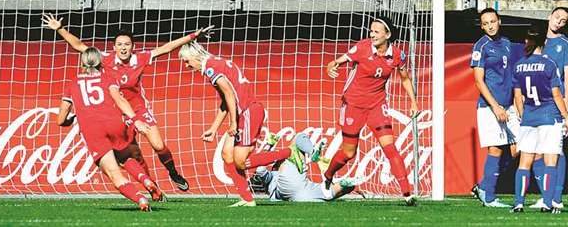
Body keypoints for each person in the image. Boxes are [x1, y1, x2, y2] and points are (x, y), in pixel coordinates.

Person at [42, 13, 212, 191]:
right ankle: (151, 186)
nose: (123, 48)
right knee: (133, 154)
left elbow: (167, 48)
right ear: (114, 47)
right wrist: (60, 29)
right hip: (116, 114)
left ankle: (173, 172)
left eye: (127, 45)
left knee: (158, 145)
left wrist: (193, 36)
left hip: (138, 109)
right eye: (120, 45)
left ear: (133, 47)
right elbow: (79, 46)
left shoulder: (140, 59)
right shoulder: (105, 59)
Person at [178, 41, 302, 207]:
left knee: (240, 161)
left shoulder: (210, 68)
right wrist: (214, 128)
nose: (187, 65)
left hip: (248, 112)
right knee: (227, 154)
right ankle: (247, 199)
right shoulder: (218, 62)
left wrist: (233, 123)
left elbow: (229, 94)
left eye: (187, 61)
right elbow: (226, 100)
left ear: (195, 55)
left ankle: (289, 153)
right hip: (246, 112)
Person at [323, 16, 418, 206]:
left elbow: (405, 78)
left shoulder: (398, 55)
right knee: (349, 153)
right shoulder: (362, 47)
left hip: (377, 105)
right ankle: (328, 175)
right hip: (353, 105)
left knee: (390, 147)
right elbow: (336, 62)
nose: (372, 35)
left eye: (376, 31)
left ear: (388, 34)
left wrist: (413, 102)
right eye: (371, 31)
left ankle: (407, 193)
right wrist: (330, 67)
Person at [57, 47, 165, 211]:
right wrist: (135, 120)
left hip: (93, 129)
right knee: (124, 157)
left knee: (114, 173)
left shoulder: (73, 83)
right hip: (115, 123)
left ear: (82, 63)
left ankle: (141, 199)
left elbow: (60, 119)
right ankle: (146, 180)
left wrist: (68, 120)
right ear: (100, 62)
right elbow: (120, 100)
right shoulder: (108, 77)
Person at [510, 23, 568, 214]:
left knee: (524, 163)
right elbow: (556, 94)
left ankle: (518, 203)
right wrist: (566, 117)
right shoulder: (549, 64)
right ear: (543, 42)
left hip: (529, 118)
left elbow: (517, 97)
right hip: (549, 117)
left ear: (527, 41)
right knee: (550, 162)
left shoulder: (519, 65)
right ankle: (547, 203)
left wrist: (523, 115)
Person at [469, 8, 519, 208]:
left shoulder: (507, 43)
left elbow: (511, 76)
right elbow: (479, 82)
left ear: (499, 21)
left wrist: (515, 102)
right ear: (482, 26)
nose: (490, 25)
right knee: (496, 148)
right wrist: (496, 106)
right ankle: (489, 197)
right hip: (490, 106)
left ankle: (482, 187)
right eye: (486, 23)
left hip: (509, 105)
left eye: (493, 21)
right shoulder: (481, 46)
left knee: (517, 149)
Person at [530, 7, 568, 211]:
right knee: (536, 152)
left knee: (555, 149)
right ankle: (546, 196)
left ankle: (556, 197)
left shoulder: (565, 44)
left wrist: (566, 102)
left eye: (563, 20)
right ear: (550, 16)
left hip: (555, 102)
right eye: (557, 17)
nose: (559, 21)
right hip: (535, 103)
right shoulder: (538, 40)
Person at [251, 133, 356, 202]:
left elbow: (260, 168)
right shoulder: (272, 179)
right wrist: (268, 145)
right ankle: (313, 152)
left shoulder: (270, 184)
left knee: (329, 192)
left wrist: (268, 146)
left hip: (301, 195)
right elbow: (260, 165)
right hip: (300, 190)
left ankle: (342, 185)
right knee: (298, 138)